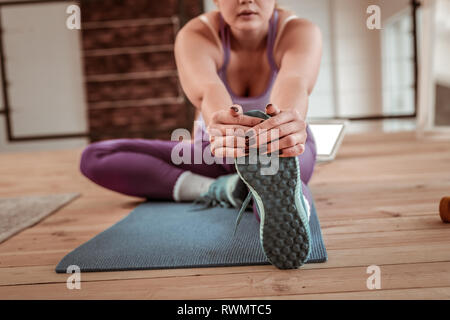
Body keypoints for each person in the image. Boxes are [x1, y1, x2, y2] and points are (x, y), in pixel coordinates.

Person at [80, 0, 322, 269]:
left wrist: (280, 125)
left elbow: (295, 82)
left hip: (282, 147)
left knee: (276, 168)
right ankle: (229, 189)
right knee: (96, 156)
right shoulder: (195, 35)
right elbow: (208, 91)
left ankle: (278, 196)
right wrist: (223, 126)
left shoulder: (300, 32)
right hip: (216, 150)